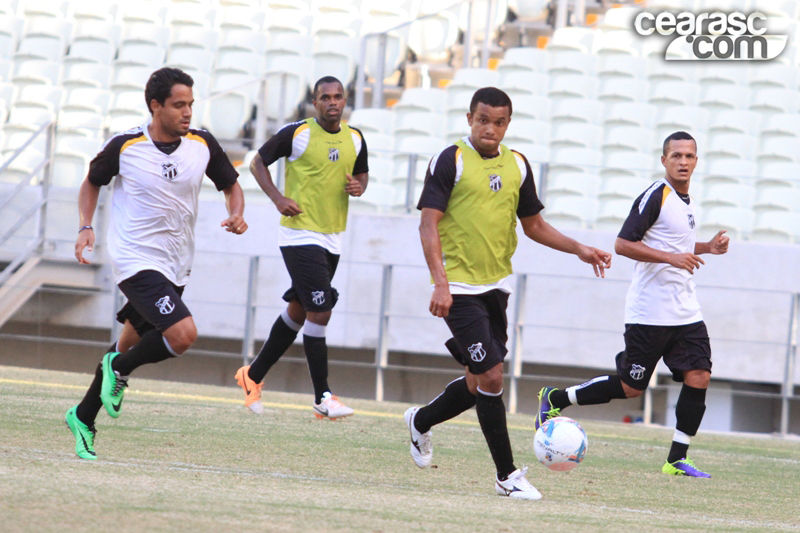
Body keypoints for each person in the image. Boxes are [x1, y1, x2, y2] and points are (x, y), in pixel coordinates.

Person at [404, 87, 612, 500]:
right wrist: (440, 282)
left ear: (507, 124)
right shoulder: (450, 160)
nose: (490, 129)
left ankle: (421, 421)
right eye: (483, 120)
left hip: (496, 286)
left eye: (499, 122)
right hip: (458, 288)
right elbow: (428, 223)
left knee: (477, 380)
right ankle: (507, 476)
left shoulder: (517, 164)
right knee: (493, 376)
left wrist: (580, 249)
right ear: (470, 118)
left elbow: (533, 225)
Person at [65, 67, 247, 460]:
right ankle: (120, 370)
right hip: (135, 259)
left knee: (129, 343)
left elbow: (232, 185)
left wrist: (237, 213)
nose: (187, 112)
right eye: (179, 105)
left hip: (176, 262)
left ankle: (83, 416)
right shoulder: (126, 145)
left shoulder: (202, 144)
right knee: (182, 335)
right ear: (155, 106)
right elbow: (92, 181)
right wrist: (85, 227)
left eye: (191, 104)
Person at [536, 131, 729, 478]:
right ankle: (556, 398)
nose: (683, 161)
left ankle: (676, 459)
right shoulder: (656, 195)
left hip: (685, 310)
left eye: (689, 156)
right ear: (664, 160)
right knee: (631, 387)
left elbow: (676, 243)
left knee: (699, 375)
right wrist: (672, 258)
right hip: (649, 311)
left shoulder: (686, 201)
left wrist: (706, 248)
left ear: (696, 161)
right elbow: (624, 244)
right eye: (676, 156)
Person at [234, 76, 368, 419]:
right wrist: (278, 199)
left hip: (333, 237)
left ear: (345, 100)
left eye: (338, 96)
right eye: (326, 97)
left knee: (299, 310)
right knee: (320, 311)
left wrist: (359, 186)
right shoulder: (298, 133)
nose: (333, 102)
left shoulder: (355, 138)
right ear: (315, 102)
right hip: (299, 235)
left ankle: (252, 376)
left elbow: (362, 174)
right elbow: (257, 162)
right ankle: (323, 397)